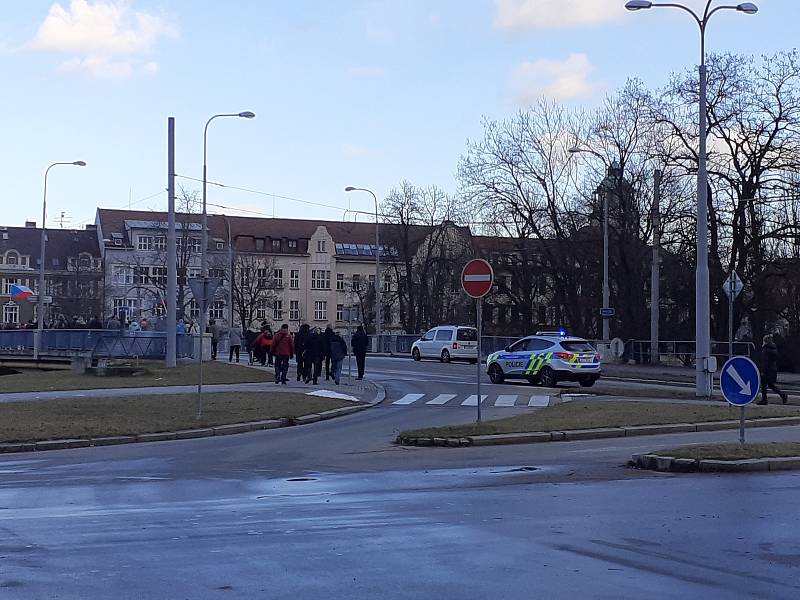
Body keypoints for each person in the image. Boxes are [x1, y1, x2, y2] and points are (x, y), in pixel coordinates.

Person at [757, 334, 788, 405]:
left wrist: (762, 371)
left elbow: (765, 362)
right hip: (773, 370)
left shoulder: (766, 350)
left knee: (764, 385)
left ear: (765, 341)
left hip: (767, 370)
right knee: (771, 385)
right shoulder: (773, 349)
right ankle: (783, 395)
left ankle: (764, 400)